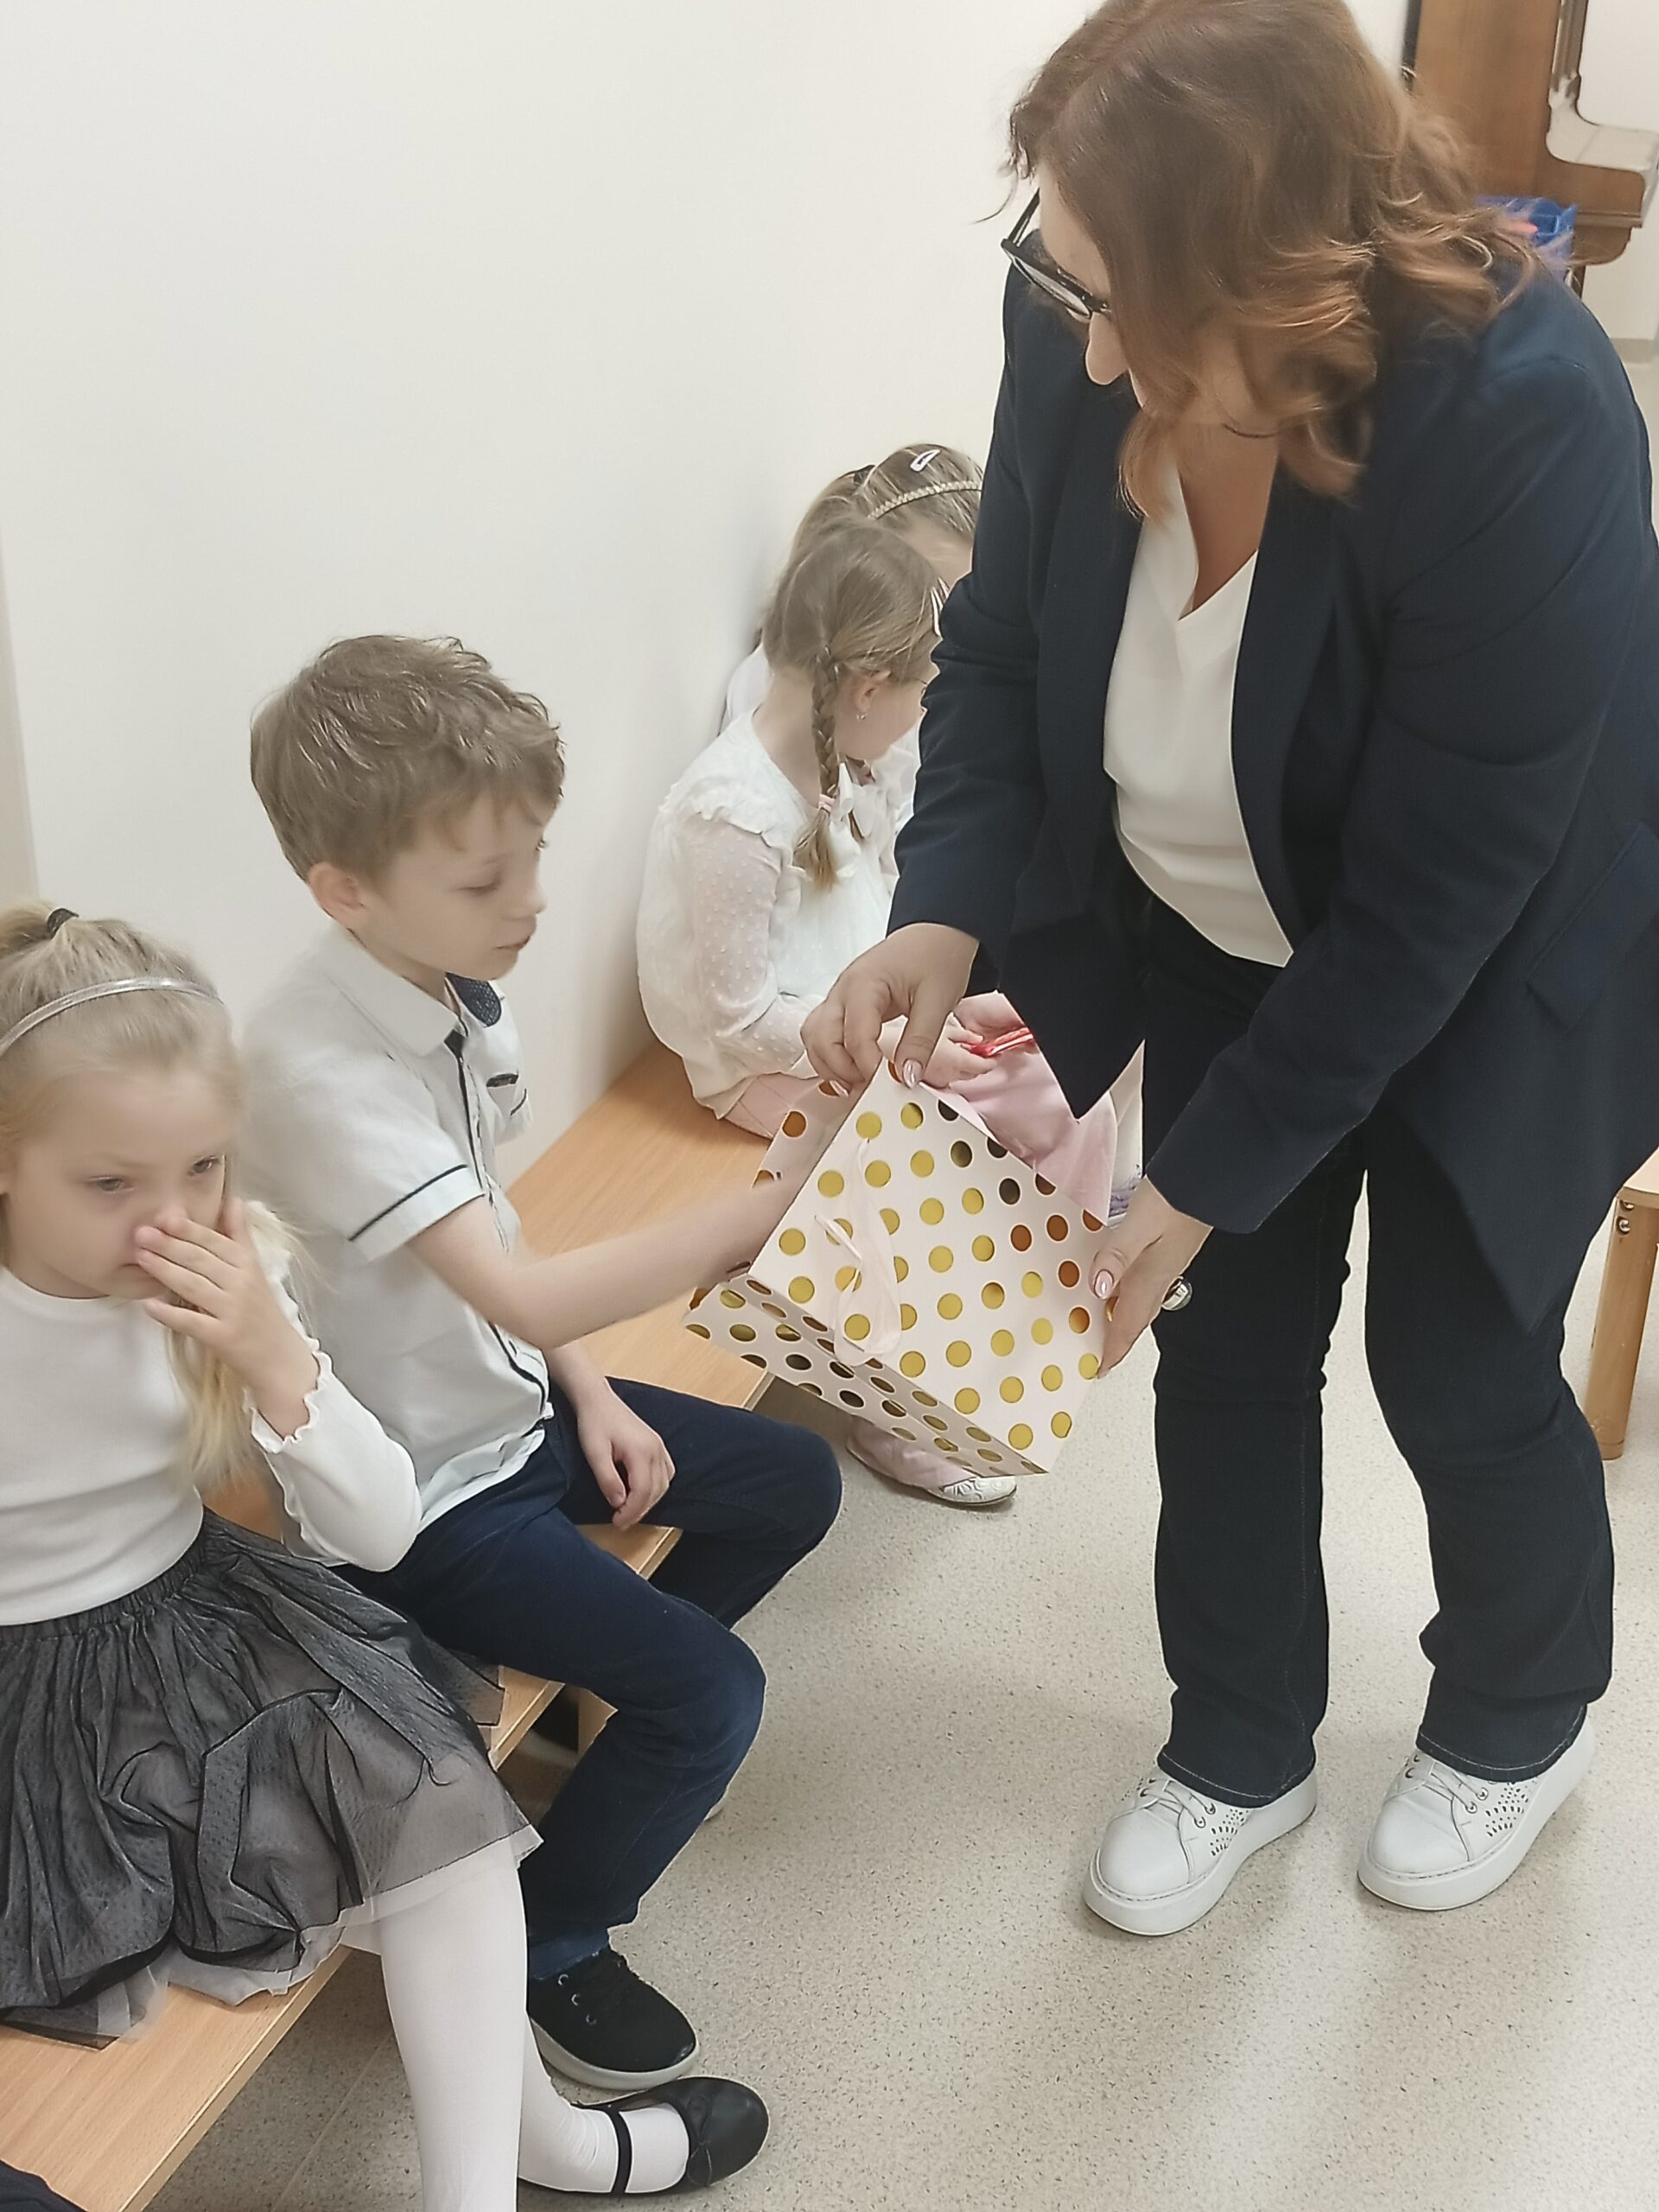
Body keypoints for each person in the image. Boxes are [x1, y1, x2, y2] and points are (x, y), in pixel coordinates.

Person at [807, 0, 1659, 1934]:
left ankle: (1520, 1711)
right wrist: (940, 903)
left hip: (1496, 963)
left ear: (1287, 271)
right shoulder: (1079, 311)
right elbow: (1003, 638)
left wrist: (1194, 1175)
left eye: (1131, 298)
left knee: (1456, 1357)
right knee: (1226, 1337)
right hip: (1205, 915)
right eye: (1068, 275)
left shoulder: (1522, 411)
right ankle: (1239, 1740)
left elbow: (1438, 894)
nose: (1093, 346)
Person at [0, 905, 767, 2203]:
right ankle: (544, 2143)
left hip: (193, 1627)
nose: (171, 1220)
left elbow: (378, 1527)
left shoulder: (236, 1273)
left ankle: (507, 2168)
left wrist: (274, 1358)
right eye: (111, 1184)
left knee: (444, 1813)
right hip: (30, 1694)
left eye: (203, 1168)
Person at [240, 634, 841, 2092]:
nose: (530, 903)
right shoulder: (316, 1070)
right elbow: (510, 1278)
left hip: (513, 1410)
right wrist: (752, 1215)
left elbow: (493, 1229)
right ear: (345, 889)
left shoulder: (437, 979)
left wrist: (590, 1387)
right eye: (485, 879)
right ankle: (555, 1935)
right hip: (426, 1504)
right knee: (718, 1692)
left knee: (794, 1483)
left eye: (534, 858)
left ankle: (615, 1723)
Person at [639, 522, 1128, 1508]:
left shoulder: (840, 768)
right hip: (769, 1065)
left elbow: (874, 923)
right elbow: (735, 1022)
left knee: (1073, 1092)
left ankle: (1008, 1341)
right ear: (867, 688)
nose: (918, 718)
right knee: (962, 1140)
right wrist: (901, 1044)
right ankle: (903, 1408)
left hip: (857, 1027)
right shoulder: (738, 816)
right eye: (919, 694)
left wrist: (935, 1014)